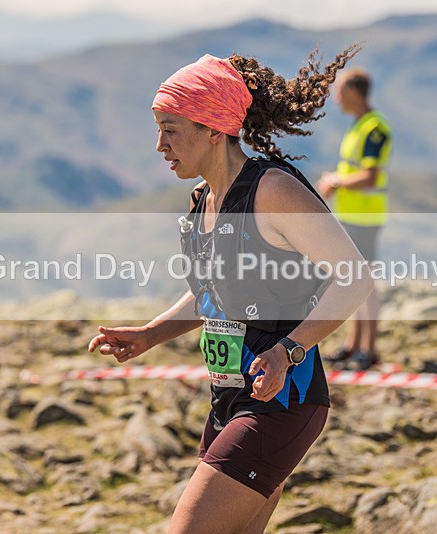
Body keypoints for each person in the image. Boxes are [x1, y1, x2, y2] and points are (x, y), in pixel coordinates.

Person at [88, 49, 373, 533]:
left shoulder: (272, 190)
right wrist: (150, 334)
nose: (160, 145)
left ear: (214, 130)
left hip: (281, 402)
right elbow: (210, 292)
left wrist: (288, 351)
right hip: (229, 397)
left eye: (171, 129)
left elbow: (355, 277)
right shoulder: (202, 201)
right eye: (158, 128)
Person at [315, 68, 393, 371]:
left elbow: (370, 177)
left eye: (340, 92)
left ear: (355, 93)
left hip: (364, 218)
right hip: (351, 216)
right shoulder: (360, 126)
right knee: (352, 280)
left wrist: (336, 182)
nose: (336, 99)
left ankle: (368, 349)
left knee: (364, 283)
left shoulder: (374, 128)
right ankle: (354, 347)